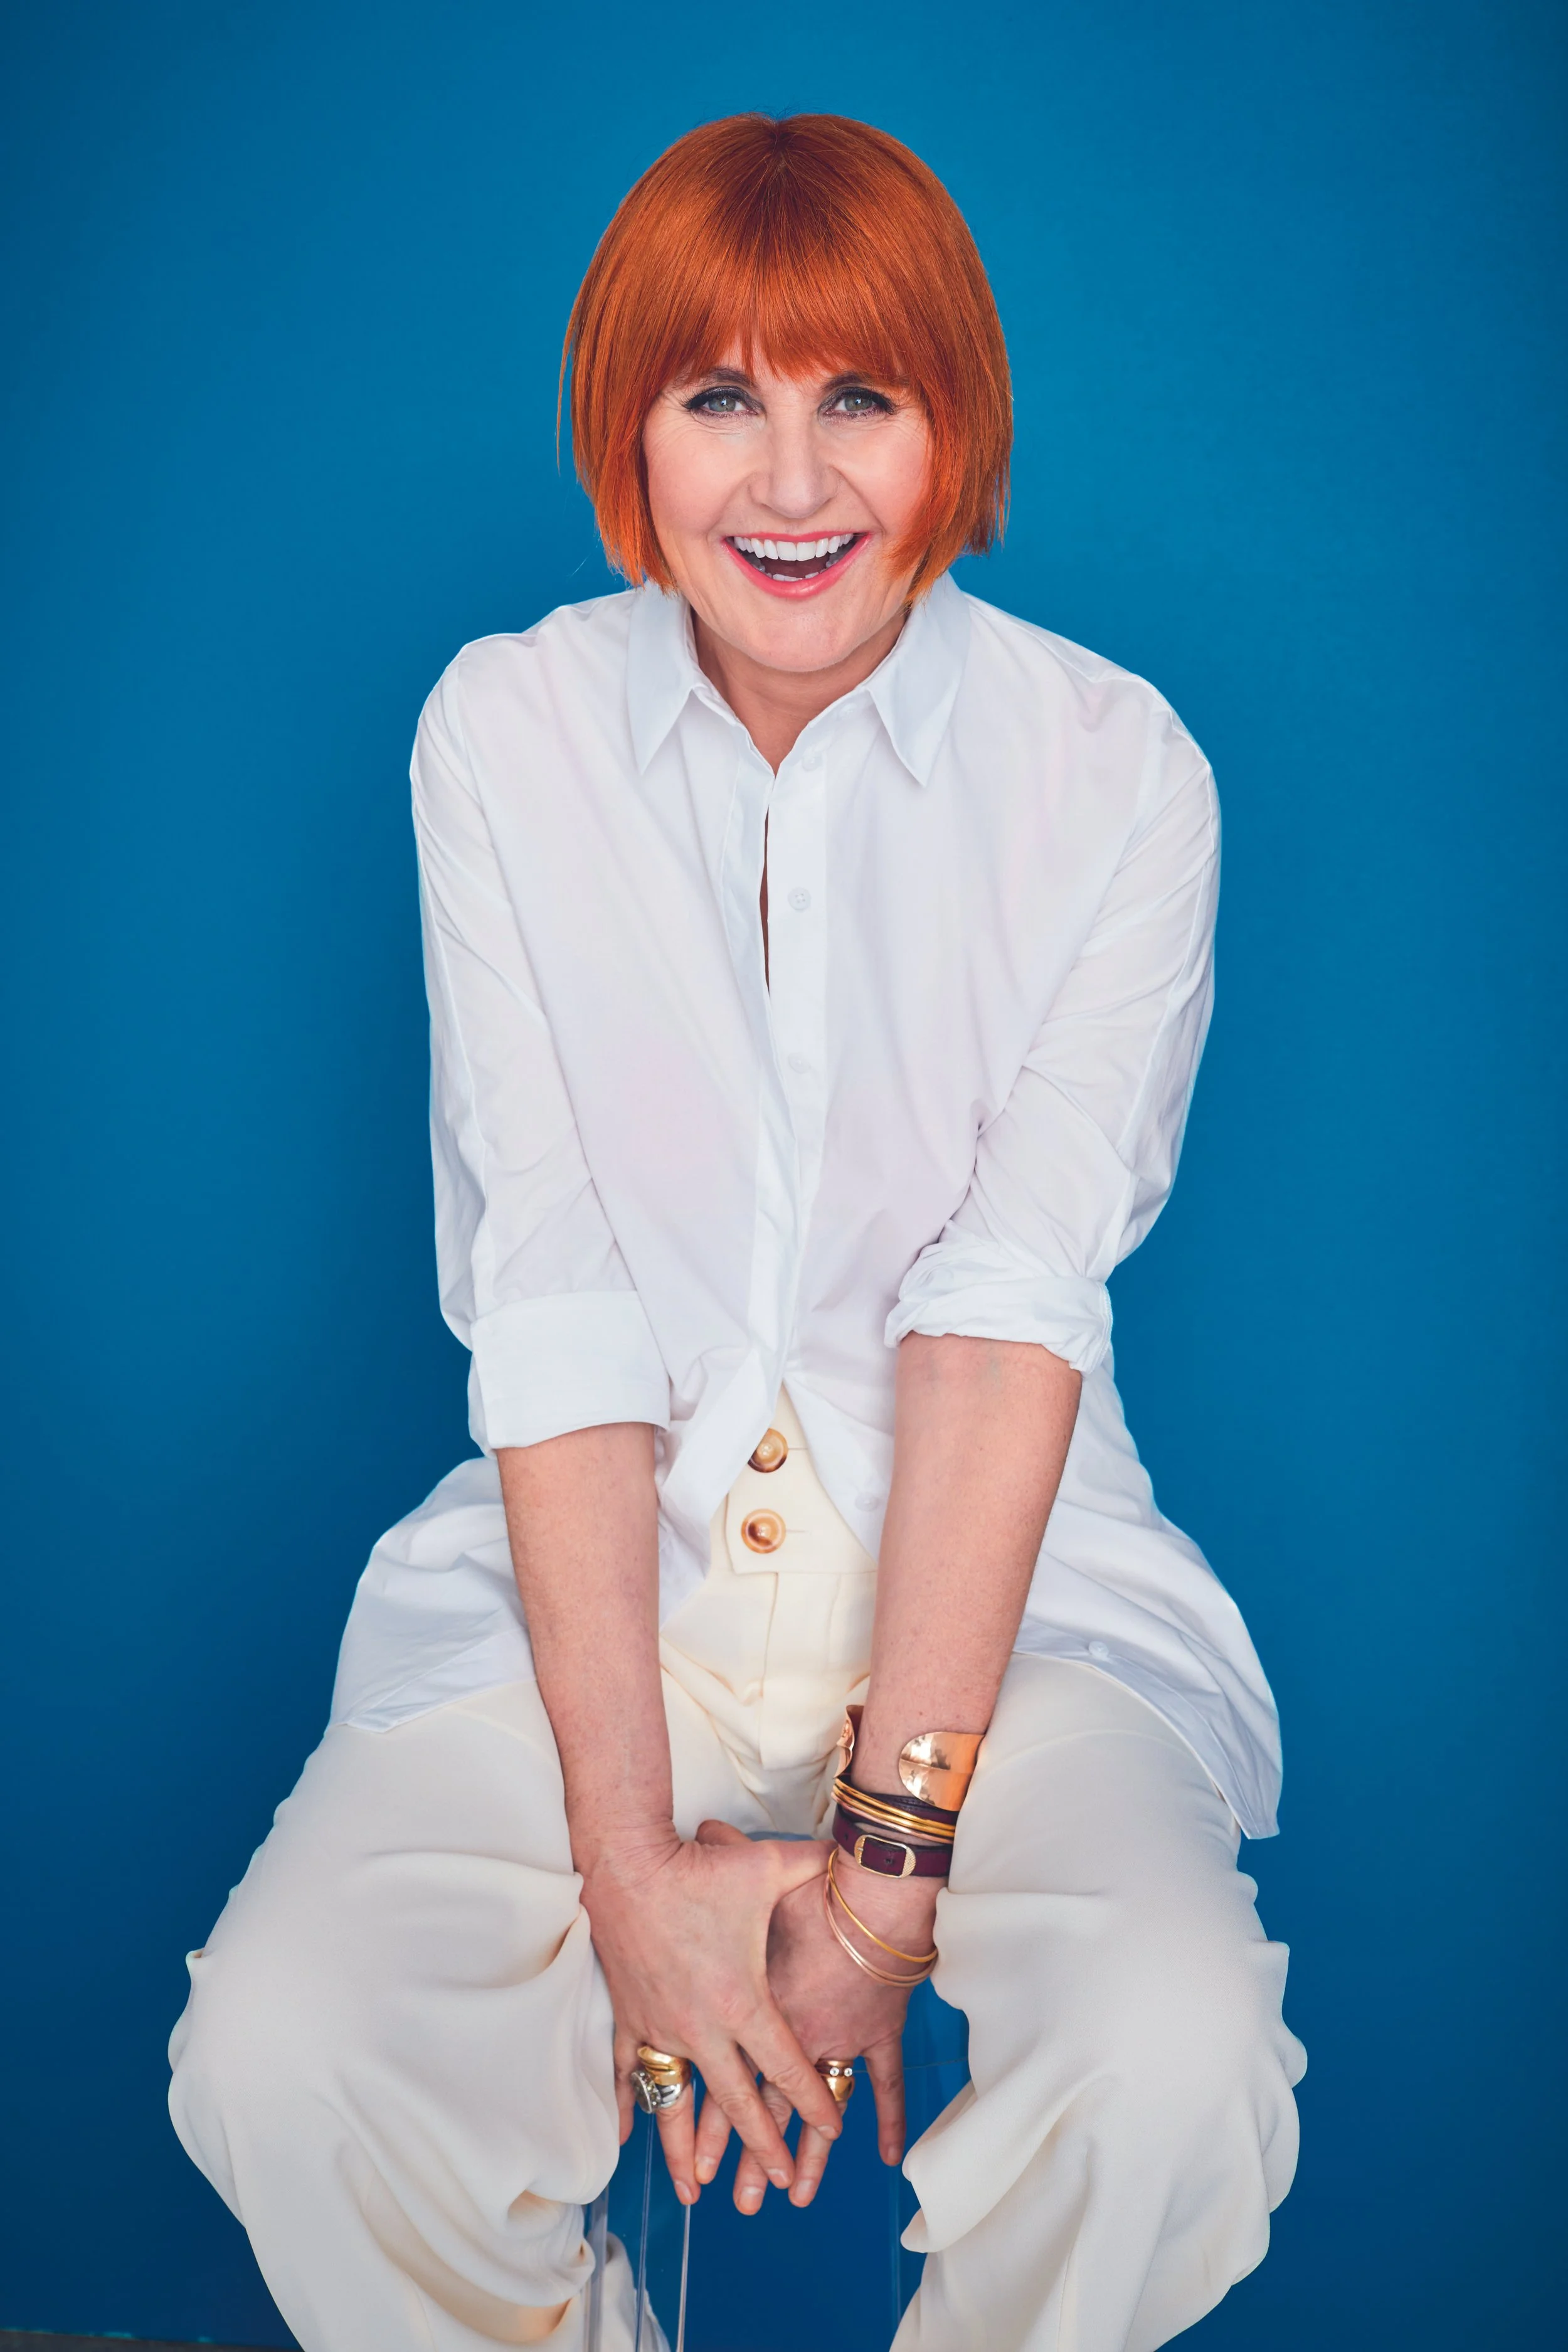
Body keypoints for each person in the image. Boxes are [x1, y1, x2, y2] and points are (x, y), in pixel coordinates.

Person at [168, 112, 1305, 2352]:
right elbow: (555, 1300)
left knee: (1174, 2070)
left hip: (1004, 1603)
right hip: (606, 1600)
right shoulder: (504, 733)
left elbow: (997, 1314)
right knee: (281, 2052)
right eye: (719, 399)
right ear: (632, 433)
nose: (789, 486)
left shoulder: (1114, 770)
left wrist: (884, 1883)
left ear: (946, 420)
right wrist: (633, 1873)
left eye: (854, 398)